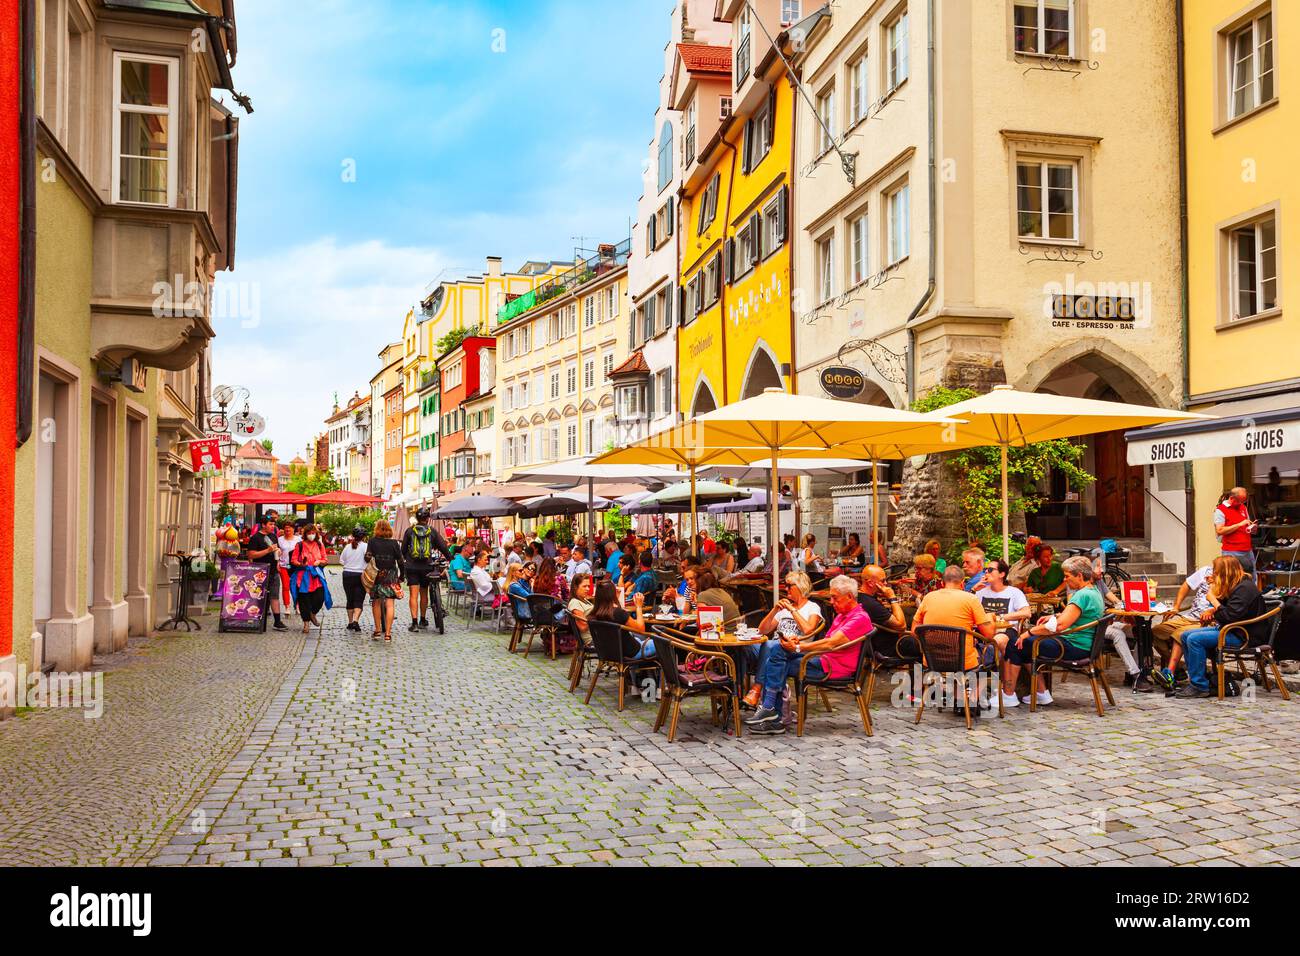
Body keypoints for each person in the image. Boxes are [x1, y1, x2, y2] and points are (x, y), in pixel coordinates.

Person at [746, 575, 873, 735]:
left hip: (832, 669)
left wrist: (799, 646)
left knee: (777, 655)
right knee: (777, 650)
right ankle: (771, 712)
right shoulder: (842, 615)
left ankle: (772, 712)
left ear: (849, 596)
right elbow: (762, 630)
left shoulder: (859, 618)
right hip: (824, 660)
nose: (831, 602)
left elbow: (830, 643)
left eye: (835, 598)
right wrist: (795, 643)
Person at [1003, 555, 1103, 707]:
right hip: (1085, 646)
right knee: (1026, 645)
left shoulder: (1081, 595)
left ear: (1080, 576)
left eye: (1067, 576)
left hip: (1073, 647)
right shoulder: (1094, 591)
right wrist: (1055, 615)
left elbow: (1059, 626)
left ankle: (1009, 695)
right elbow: (1077, 616)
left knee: (1016, 644)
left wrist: (1028, 632)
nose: (1064, 580)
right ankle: (1041, 693)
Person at [1172, 556, 1269, 699]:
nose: (1214, 574)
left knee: (1194, 639)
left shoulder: (1245, 588)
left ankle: (1199, 686)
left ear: (1225, 572)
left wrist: (1212, 601)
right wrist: (1213, 606)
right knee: (1186, 635)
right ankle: (1199, 680)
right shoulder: (1236, 584)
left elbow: (1228, 615)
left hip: (1244, 636)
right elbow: (1227, 607)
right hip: (1231, 630)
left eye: (1216, 572)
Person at [913, 565, 1001, 700]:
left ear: (942, 583)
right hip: (963, 662)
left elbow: (915, 630)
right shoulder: (970, 599)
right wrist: (990, 618)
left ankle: (959, 699)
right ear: (962, 584)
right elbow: (989, 635)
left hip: (932, 661)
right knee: (994, 651)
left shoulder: (929, 598)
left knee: (971, 650)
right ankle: (972, 699)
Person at [743, 571, 824, 708]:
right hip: (774, 647)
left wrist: (793, 610)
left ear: (800, 586)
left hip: (795, 649)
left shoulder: (812, 607)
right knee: (743, 646)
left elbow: (808, 630)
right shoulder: (784, 608)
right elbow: (763, 630)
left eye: (788, 585)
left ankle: (757, 688)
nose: (785, 589)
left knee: (770, 645)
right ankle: (736, 692)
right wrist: (774, 610)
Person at [1150, 562, 1215, 689]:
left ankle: (1170, 674)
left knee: (1179, 634)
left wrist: (1212, 611)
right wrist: (1176, 607)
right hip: (1189, 617)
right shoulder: (1205, 570)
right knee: (1156, 631)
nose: (1208, 577)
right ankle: (1179, 667)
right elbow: (1187, 585)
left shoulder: (1227, 578)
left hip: (1206, 622)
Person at [402, 509, 453, 633]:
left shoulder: (409, 531)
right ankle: (423, 620)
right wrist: (450, 558)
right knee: (424, 593)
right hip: (426, 566)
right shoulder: (432, 531)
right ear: (428, 519)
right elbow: (443, 546)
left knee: (413, 595)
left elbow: (403, 549)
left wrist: (405, 560)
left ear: (417, 518)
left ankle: (414, 623)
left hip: (412, 566)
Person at [974, 558, 1031, 650]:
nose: (986, 572)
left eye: (990, 570)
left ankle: (1000, 663)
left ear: (1002, 574)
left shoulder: (1014, 592)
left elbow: (1026, 613)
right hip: (983, 629)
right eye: (985, 570)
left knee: (998, 641)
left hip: (1005, 630)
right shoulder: (980, 592)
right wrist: (973, 589)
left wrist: (1000, 617)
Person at [589, 580, 655, 659]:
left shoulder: (594, 614)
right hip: (631, 652)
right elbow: (641, 629)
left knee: (638, 638)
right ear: (612, 594)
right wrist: (639, 607)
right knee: (664, 643)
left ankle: (638, 671)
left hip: (608, 653)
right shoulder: (618, 613)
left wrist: (616, 599)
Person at [366, 519, 404, 643]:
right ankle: (388, 633)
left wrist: (369, 556)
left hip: (377, 574)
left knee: (376, 602)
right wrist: (402, 575)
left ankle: (377, 630)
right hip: (391, 574)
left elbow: (367, 558)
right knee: (390, 604)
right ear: (389, 529)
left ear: (376, 529)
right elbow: (400, 561)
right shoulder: (394, 543)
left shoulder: (372, 541)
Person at [246, 515, 287, 631]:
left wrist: (278, 556)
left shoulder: (273, 536)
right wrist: (267, 550)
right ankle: (256, 619)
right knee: (259, 596)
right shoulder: (255, 538)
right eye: (270, 524)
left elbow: (276, 550)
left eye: (274, 524)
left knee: (274, 596)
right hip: (260, 572)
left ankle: (277, 621)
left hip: (274, 570)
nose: (273, 527)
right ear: (263, 525)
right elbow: (251, 555)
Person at [289, 527, 330, 633]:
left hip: (316, 576)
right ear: (305, 534)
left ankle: (313, 613)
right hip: (303, 577)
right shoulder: (300, 545)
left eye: (313, 533)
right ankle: (306, 624)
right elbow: (293, 560)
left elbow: (325, 559)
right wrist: (301, 564)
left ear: (316, 534)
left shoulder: (320, 545)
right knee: (304, 600)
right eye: (309, 533)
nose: (311, 535)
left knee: (319, 598)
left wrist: (319, 561)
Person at [1214, 487, 1257, 577]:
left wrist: (1252, 527)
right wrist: (1239, 525)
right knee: (1233, 578)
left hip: (1247, 549)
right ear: (1232, 498)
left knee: (1251, 576)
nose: (1242, 503)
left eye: (1243, 501)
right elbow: (1220, 530)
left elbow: (1246, 524)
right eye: (1240, 501)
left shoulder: (1243, 507)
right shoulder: (1220, 510)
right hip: (1231, 551)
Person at [858, 565, 907, 633]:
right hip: (886, 641)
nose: (886, 583)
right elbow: (902, 626)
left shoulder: (858, 595)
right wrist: (892, 598)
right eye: (883, 581)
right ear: (870, 583)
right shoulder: (872, 605)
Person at [339, 526, 369, 631]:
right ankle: (356, 621)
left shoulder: (347, 547)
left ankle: (350, 622)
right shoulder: (366, 546)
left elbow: (341, 561)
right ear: (364, 537)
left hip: (347, 574)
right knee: (359, 599)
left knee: (350, 599)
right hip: (361, 575)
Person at [276, 521, 300, 611]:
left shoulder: (298, 539)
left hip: (295, 566)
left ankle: (297, 605)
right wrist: (277, 562)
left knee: (296, 586)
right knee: (286, 587)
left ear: (293, 529)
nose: (287, 529)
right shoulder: (279, 540)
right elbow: (277, 552)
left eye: (290, 527)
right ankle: (287, 606)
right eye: (286, 527)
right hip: (284, 565)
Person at [567, 572, 595, 637]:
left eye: (588, 586)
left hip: (597, 635)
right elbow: (583, 627)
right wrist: (596, 613)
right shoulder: (575, 602)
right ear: (575, 587)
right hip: (592, 640)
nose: (588, 589)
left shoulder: (583, 599)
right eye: (584, 586)